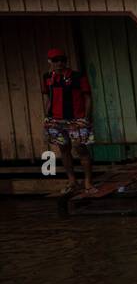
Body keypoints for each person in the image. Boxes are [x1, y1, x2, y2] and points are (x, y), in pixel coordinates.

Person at [41, 48, 94, 194]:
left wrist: (86, 117)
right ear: (50, 62)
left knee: (80, 148)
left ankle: (88, 182)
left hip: (77, 119)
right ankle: (72, 181)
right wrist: (47, 116)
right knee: (64, 150)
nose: (60, 63)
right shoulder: (47, 77)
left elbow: (88, 97)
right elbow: (48, 98)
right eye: (55, 60)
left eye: (62, 60)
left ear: (66, 61)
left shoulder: (78, 76)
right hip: (56, 120)